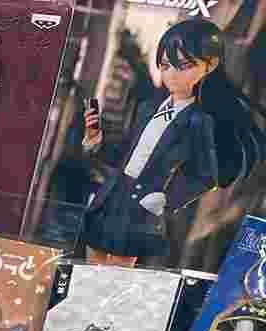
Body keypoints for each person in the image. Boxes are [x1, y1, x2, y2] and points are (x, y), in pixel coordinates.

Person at [81, 19, 266, 266]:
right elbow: (126, 156)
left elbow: (206, 176)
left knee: (113, 277)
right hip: (110, 197)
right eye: (166, 65)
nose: (172, 74)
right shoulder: (148, 108)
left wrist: (165, 200)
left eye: (184, 66)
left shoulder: (198, 120)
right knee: (88, 270)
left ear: (210, 67)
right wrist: (96, 143)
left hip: (141, 208)